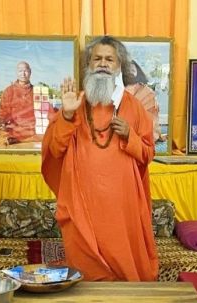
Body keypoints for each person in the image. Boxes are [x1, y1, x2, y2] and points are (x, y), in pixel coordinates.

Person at [41, 35, 158, 281]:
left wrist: (130, 136)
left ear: (118, 66)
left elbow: (147, 154)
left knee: (124, 273)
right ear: (89, 64)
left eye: (109, 59)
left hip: (121, 209)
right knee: (85, 275)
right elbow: (55, 150)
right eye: (97, 59)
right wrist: (67, 116)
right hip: (81, 204)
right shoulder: (75, 103)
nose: (103, 64)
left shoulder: (134, 107)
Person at [0, 61, 40, 145]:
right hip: (15, 129)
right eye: (20, 71)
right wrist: (2, 123)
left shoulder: (37, 91)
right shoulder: (9, 91)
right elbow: (3, 114)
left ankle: (20, 140)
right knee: (3, 132)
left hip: (33, 129)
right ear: (16, 73)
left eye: (25, 71)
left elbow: (45, 113)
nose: (23, 74)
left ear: (30, 72)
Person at [125, 59, 163, 142]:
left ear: (138, 71)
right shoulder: (117, 87)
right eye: (127, 70)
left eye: (132, 70)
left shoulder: (145, 90)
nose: (130, 72)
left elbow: (150, 114)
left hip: (142, 123)